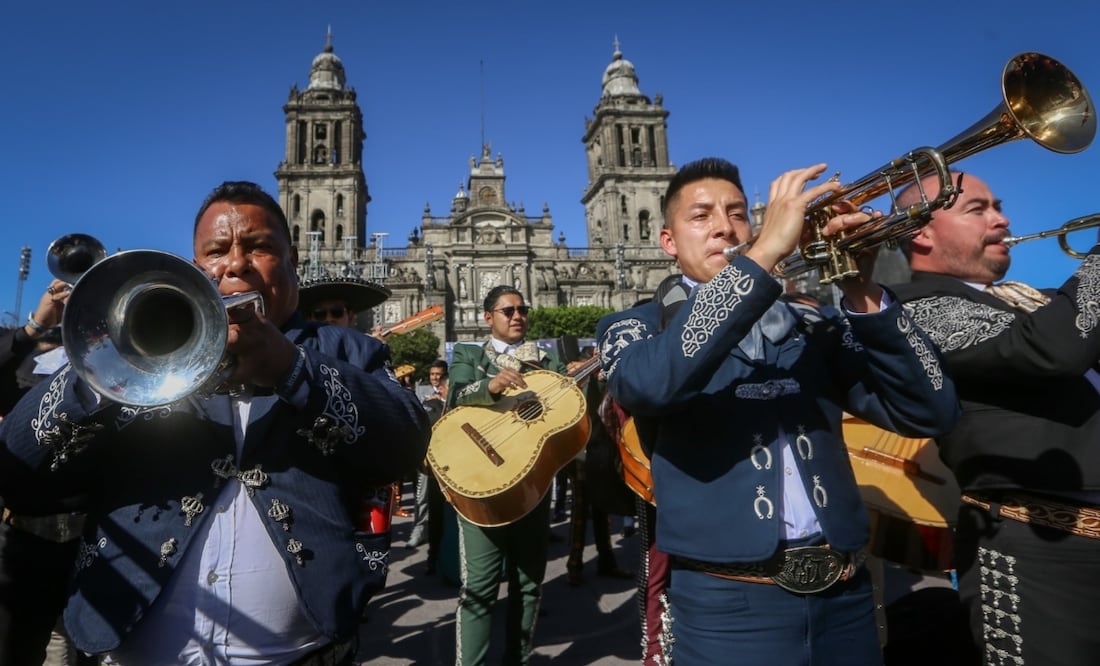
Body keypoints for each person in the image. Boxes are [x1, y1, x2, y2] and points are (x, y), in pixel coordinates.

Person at [0, 180, 431, 665]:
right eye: (217, 250)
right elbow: (15, 470)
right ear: (197, 266)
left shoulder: (352, 351)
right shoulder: (132, 354)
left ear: (294, 261)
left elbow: (406, 443)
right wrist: (104, 371)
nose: (236, 264)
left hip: (303, 653)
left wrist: (291, 368)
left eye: (260, 247)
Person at [596, 157, 960, 666]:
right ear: (668, 242)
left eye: (739, 214)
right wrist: (765, 251)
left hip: (846, 597)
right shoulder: (635, 327)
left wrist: (862, 288)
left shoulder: (813, 322)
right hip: (727, 608)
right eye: (701, 216)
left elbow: (931, 410)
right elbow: (649, 387)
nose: (725, 226)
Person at [891, 171, 1100, 666]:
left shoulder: (1039, 300)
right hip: (1036, 554)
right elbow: (1050, 350)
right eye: (977, 209)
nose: (1001, 219)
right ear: (921, 232)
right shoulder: (912, 306)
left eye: (998, 205)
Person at [447, 285, 567, 665]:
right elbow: (456, 397)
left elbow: (568, 410)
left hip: (532, 483)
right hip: (480, 483)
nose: (518, 316)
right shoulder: (469, 353)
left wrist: (585, 384)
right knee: (479, 588)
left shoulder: (547, 359)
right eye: (508, 310)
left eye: (522, 309)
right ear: (488, 318)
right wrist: (491, 386)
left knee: (529, 584)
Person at [0, 278, 96, 666]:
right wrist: (33, 327)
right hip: (20, 545)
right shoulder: (18, 358)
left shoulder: (100, 361)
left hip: (88, 546)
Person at [416, 359, 448, 575]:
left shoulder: (462, 407)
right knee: (435, 515)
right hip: (437, 471)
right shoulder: (430, 405)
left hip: (459, 471)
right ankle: (433, 557)